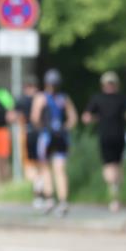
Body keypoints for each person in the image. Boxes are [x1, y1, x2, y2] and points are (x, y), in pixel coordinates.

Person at [82, 71, 126, 212]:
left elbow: (86, 117)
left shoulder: (102, 98)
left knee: (112, 165)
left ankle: (113, 193)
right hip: (114, 136)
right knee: (114, 165)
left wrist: (97, 118)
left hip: (111, 136)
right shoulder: (120, 98)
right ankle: (115, 194)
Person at [31, 69, 78, 217]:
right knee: (60, 170)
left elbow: (35, 117)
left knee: (45, 169)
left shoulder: (41, 98)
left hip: (46, 137)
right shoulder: (64, 98)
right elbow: (73, 118)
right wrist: (65, 129)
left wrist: (41, 129)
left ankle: (50, 199)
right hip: (61, 137)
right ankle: (63, 201)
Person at [14, 76, 44, 207]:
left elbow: (13, 116)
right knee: (42, 164)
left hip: (28, 134)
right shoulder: (44, 98)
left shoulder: (22, 100)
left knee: (30, 166)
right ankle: (42, 188)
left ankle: (38, 188)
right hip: (44, 135)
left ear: (26, 87)